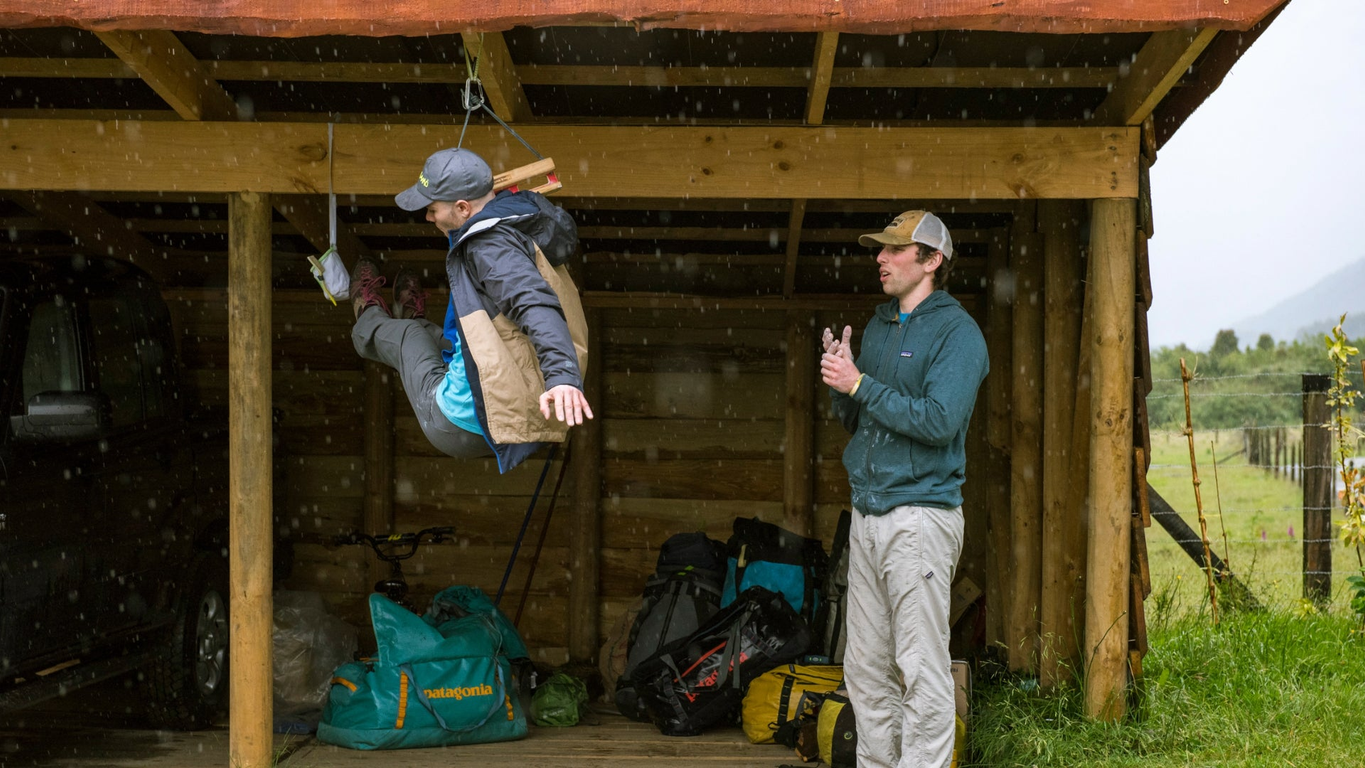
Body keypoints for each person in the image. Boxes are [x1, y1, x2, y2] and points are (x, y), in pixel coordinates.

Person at [820, 210, 988, 768]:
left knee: (920, 669)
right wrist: (842, 380)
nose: (881, 258)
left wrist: (862, 384)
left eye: (895, 250)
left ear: (932, 261)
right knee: (865, 670)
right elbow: (860, 419)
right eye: (880, 249)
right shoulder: (879, 326)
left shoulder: (959, 334)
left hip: (920, 517)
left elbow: (939, 422)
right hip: (868, 515)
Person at [349, 147, 592, 473]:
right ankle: (414, 318)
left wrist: (562, 377)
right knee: (425, 334)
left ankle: (366, 316)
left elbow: (533, 302)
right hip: (518, 415)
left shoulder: (489, 246)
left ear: (463, 207)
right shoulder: (518, 218)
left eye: (432, 209)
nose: (427, 217)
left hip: (461, 422)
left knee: (407, 336)